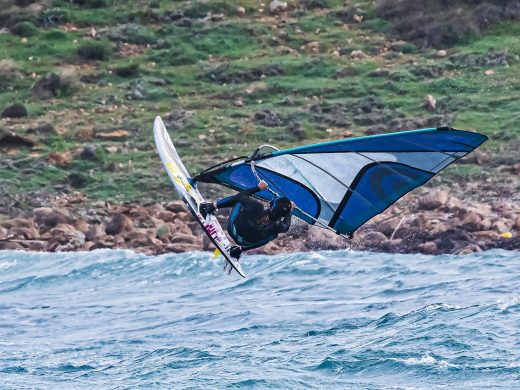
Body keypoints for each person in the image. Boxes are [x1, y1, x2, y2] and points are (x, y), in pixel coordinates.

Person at [199, 180, 294, 258]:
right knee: (273, 235)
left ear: (271, 205)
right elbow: (287, 226)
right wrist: (290, 211)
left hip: (232, 230)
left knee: (240, 200)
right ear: (284, 215)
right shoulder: (280, 226)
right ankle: (239, 250)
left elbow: (240, 196)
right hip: (245, 243)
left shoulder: (257, 207)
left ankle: (211, 207)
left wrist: (258, 188)